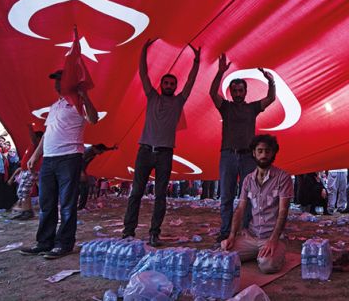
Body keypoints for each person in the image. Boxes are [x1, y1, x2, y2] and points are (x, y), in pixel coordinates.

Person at [122, 39, 200, 247]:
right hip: (145, 150)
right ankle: (128, 231)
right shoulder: (152, 96)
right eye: (166, 83)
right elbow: (143, 74)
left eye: (172, 84)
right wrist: (143, 51)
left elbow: (191, 82)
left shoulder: (178, 101)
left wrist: (196, 61)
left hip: (165, 153)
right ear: (161, 85)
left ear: (175, 87)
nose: (168, 86)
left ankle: (154, 233)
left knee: (160, 196)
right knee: (136, 192)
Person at [20, 69, 99, 259]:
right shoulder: (55, 106)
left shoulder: (78, 103)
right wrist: (35, 156)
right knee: (47, 203)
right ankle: (44, 242)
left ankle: (64, 244)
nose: (56, 84)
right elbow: (47, 134)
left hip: (70, 157)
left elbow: (94, 119)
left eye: (60, 80)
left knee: (66, 204)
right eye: (55, 80)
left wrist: (85, 96)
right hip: (49, 159)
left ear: (69, 82)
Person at [209, 53, 276, 242]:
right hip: (228, 155)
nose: (238, 93)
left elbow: (271, 98)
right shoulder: (226, 107)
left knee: (247, 196)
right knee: (226, 196)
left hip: (248, 157)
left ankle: (244, 231)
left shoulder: (252, 108)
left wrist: (270, 81)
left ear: (245, 92)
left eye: (241, 90)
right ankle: (225, 232)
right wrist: (220, 72)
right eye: (235, 91)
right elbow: (212, 93)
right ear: (231, 92)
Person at [221, 135, 292, 274]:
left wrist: (273, 240)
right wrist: (232, 236)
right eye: (260, 151)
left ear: (273, 153)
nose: (263, 155)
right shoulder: (248, 180)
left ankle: (274, 252)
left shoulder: (283, 178)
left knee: (267, 266)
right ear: (253, 153)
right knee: (224, 253)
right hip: (251, 236)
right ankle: (257, 253)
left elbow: (283, 211)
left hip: (272, 237)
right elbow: (240, 209)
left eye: (267, 151)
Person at [78, 144, 118, 210]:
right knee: (82, 187)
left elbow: (104, 148)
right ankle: (79, 207)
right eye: (101, 152)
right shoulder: (87, 151)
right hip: (78, 170)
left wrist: (112, 148)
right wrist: (81, 172)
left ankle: (81, 206)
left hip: (82, 170)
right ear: (95, 149)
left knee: (84, 187)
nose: (101, 154)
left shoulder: (94, 151)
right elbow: (79, 161)